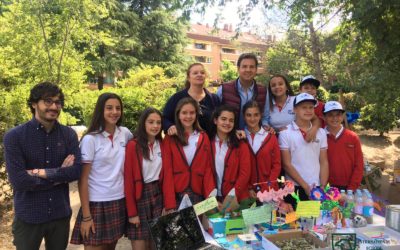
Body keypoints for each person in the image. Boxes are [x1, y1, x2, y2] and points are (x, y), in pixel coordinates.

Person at [4, 82, 82, 250]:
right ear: (34, 104)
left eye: (58, 102)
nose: (54, 106)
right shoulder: (14, 137)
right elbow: (19, 181)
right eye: (48, 101)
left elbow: (75, 171)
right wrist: (59, 175)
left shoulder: (68, 135)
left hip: (59, 215)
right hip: (29, 216)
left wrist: (40, 173)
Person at [70, 93, 133, 249]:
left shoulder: (125, 133)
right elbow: (82, 180)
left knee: (111, 247)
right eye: (109, 108)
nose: (114, 112)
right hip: (96, 204)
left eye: (118, 108)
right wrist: (86, 217)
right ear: (101, 110)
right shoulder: (90, 139)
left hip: (119, 200)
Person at [124, 107, 175, 250]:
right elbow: (128, 181)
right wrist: (132, 213)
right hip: (141, 197)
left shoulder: (163, 145)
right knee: (140, 244)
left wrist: (168, 204)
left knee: (157, 244)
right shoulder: (133, 145)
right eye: (151, 122)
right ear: (143, 123)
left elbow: (168, 176)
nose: (155, 126)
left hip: (158, 196)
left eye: (158, 123)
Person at [279, 93, 329, 208]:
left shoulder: (321, 133)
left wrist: (323, 186)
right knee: (294, 224)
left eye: (311, 107)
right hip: (294, 188)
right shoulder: (285, 133)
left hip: (316, 187)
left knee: (316, 224)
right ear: (295, 109)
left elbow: (324, 161)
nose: (308, 110)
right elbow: (286, 164)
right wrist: (305, 186)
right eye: (304, 107)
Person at [163, 97, 216, 206]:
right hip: (177, 192)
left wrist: (210, 197)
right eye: (184, 113)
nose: (188, 116)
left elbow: (207, 168)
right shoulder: (170, 137)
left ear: (196, 114)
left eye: (192, 113)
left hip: (198, 191)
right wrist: (169, 204)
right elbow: (167, 171)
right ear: (178, 114)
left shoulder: (203, 136)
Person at [163, 63, 220, 136]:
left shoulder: (214, 99)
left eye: (202, 73)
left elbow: (221, 120)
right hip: (182, 143)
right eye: (195, 73)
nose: (199, 75)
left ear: (205, 76)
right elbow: (165, 118)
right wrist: (170, 126)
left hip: (208, 144)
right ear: (188, 78)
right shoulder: (177, 98)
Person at [209, 105, 251, 203]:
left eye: (231, 120)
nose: (227, 123)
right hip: (214, 198)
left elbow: (245, 173)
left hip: (237, 198)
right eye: (223, 119)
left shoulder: (241, 143)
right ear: (215, 120)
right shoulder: (208, 143)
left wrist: (232, 196)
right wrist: (211, 198)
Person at [216, 53, 267, 130]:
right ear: (238, 69)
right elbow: (216, 115)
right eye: (244, 66)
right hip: (230, 137)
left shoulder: (263, 91)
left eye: (252, 67)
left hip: (254, 137)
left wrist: (265, 127)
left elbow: (265, 116)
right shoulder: (223, 89)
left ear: (256, 70)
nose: (248, 70)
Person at [263, 74, 320, 141]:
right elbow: (264, 120)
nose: (277, 87)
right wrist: (270, 128)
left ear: (287, 87)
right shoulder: (267, 104)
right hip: (275, 141)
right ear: (270, 89)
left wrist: (314, 129)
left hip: (296, 141)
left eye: (280, 84)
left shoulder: (297, 100)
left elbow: (315, 119)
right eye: (273, 85)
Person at [243, 101, 281, 196]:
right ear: (244, 117)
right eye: (248, 115)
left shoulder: (270, 137)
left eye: (256, 115)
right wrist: (248, 188)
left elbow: (276, 165)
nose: (252, 119)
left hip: (269, 191)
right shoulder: (240, 138)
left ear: (260, 116)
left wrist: (267, 187)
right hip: (247, 193)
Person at [323, 101, 363, 190]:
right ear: (324, 117)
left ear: (343, 116)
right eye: (330, 115)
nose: (335, 118)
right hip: (324, 186)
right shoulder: (319, 136)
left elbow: (359, 165)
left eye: (338, 114)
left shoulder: (353, 137)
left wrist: (351, 188)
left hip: (348, 187)